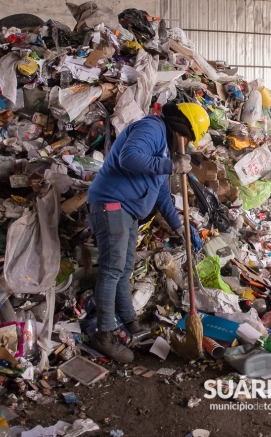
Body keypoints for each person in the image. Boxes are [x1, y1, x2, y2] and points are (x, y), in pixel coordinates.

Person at [86, 102, 210, 362]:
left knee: (124, 269)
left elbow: (160, 191)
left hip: (128, 210)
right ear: (180, 128)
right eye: (187, 138)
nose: (186, 145)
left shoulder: (164, 143)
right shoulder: (152, 128)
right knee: (112, 268)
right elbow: (129, 157)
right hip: (112, 203)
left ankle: (129, 322)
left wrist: (178, 226)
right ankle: (104, 333)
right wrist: (171, 166)